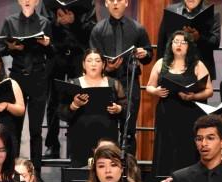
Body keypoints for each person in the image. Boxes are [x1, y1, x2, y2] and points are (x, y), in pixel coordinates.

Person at [0, 0, 54, 182]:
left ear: (37, 1)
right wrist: (11, 47)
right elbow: (0, 49)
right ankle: (12, 172)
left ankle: (36, 174)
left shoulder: (45, 22)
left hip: (38, 77)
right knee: (14, 127)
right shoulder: (10, 21)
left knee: (36, 130)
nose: (28, 1)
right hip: (17, 78)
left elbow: (53, 53)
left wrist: (47, 44)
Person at [89, 0, 153, 155]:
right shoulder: (98, 29)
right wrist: (106, 67)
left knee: (128, 129)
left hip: (129, 81)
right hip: (106, 83)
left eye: (119, 0)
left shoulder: (137, 28)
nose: (115, 3)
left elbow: (149, 54)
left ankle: (129, 170)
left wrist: (144, 54)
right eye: (112, 0)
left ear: (126, 3)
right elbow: (92, 58)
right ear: (106, 4)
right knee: (105, 126)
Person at [146, 30, 213, 176]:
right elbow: (149, 86)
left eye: (183, 42)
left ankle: (189, 179)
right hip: (166, 111)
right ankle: (162, 178)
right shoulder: (161, 63)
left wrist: (194, 96)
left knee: (186, 147)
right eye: (176, 41)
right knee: (166, 146)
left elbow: (209, 90)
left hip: (188, 112)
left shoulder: (197, 64)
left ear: (189, 46)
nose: (179, 45)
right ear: (170, 45)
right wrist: (156, 91)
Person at [42, 0, 96, 159]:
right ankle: (53, 146)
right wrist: (57, 23)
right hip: (56, 54)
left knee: (79, 97)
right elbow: (44, 25)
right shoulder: (49, 3)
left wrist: (75, 22)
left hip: (78, 55)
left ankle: (77, 142)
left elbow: (92, 27)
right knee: (52, 101)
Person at [58, 48, 127, 167]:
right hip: (80, 136)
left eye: (97, 61)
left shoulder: (114, 83)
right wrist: (74, 105)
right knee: (80, 173)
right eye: (89, 61)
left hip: (106, 136)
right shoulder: (73, 84)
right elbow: (61, 113)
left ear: (104, 64)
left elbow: (126, 108)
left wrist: (118, 109)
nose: (93, 64)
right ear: (84, 64)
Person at [157, 0, 220, 81]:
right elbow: (162, 41)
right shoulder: (171, 10)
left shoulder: (213, 13)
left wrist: (199, 38)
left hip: (199, 69)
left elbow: (216, 42)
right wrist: (160, 68)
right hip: (172, 68)